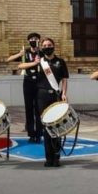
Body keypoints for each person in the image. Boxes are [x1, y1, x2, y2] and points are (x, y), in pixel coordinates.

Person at [19, 37, 68, 167]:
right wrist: (34, 63)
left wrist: (64, 93)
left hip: (56, 96)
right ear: (42, 47)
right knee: (46, 127)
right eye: (44, 45)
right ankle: (48, 158)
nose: (47, 47)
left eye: (49, 44)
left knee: (56, 127)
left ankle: (56, 157)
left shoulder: (60, 62)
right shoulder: (40, 61)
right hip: (42, 96)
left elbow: (64, 79)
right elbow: (21, 66)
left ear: (54, 46)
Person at [7, 32, 43, 143]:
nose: (34, 40)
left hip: (40, 82)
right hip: (28, 82)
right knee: (29, 108)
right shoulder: (25, 52)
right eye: (32, 39)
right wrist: (19, 54)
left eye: (36, 39)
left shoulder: (41, 53)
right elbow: (11, 61)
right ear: (29, 41)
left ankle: (39, 133)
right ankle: (31, 133)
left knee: (38, 109)